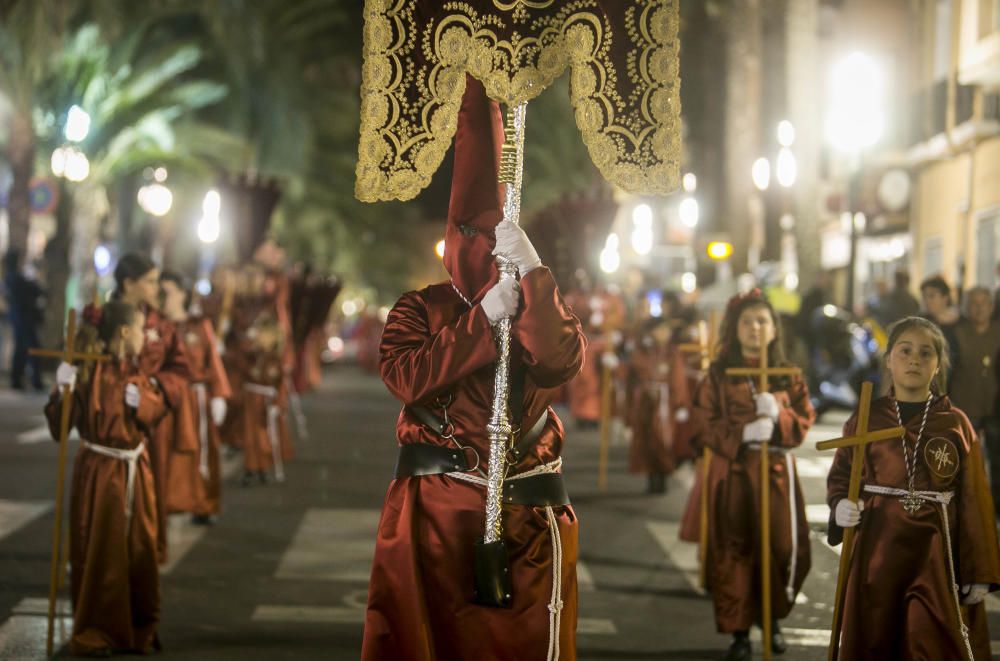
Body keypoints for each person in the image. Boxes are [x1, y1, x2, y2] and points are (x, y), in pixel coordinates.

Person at [361, 76, 587, 661]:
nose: (481, 246)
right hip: (435, 516)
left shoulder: (537, 297)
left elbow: (560, 360)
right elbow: (406, 377)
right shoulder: (420, 307)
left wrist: (533, 274)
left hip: (525, 518)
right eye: (468, 233)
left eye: (492, 236)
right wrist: (483, 323)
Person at [826, 316, 1000, 659]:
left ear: (938, 365)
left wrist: (979, 570)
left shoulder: (955, 423)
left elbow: (974, 499)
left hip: (936, 556)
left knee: (931, 640)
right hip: (878, 551)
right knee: (877, 635)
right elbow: (843, 476)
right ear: (889, 359)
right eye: (904, 351)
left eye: (926, 353)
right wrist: (838, 505)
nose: (914, 360)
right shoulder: (865, 419)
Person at [692, 289, 815, 661]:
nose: (755, 328)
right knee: (736, 549)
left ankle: (771, 619)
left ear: (775, 329)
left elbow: (805, 419)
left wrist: (780, 413)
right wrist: (742, 435)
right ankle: (740, 632)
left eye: (763, 321)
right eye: (747, 321)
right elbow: (704, 424)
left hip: (776, 474)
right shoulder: (718, 374)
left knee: (780, 547)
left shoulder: (788, 376)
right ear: (735, 328)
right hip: (734, 474)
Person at [47, 301, 165, 656]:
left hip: (134, 472)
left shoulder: (135, 371)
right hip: (101, 475)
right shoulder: (88, 373)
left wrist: (143, 401)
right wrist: (60, 391)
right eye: (142, 330)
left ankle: (136, 624)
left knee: (139, 549)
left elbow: (155, 412)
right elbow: (61, 427)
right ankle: (100, 627)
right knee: (102, 551)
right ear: (125, 332)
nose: (146, 337)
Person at [112, 253, 193, 563]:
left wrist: (154, 391)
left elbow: (180, 369)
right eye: (149, 281)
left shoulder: (161, 323)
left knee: (151, 488)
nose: (155, 287)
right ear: (128, 283)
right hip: (110, 424)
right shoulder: (101, 316)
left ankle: (145, 551)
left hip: (151, 423)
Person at [160, 271, 231, 523]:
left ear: (182, 293)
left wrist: (219, 394)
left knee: (202, 450)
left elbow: (212, 358)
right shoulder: (157, 327)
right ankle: (166, 502)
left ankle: (203, 504)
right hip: (167, 397)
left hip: (196, 398)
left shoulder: (199, 325)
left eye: (167, 292)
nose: (163, 298)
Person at [949, 287, 1000, 518]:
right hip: (964, 407)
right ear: (967, 307)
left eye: (984, 303)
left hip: (994, 408)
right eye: (974, 303)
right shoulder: (956, 334)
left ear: (991, 306)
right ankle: (964, 509)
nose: (979, 308)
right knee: (964, 462)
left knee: (997, 462)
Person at [625, 316, 690, 493]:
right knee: (645, 441)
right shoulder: (641, 350)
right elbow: (631, 377)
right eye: (660, 330)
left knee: (662, 439)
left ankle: (663, 476)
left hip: (665, 403)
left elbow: (678, 378)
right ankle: (651, 477)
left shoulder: (672, 352)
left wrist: (680, 403)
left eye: (665, 330)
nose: (664, 334)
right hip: (644, 402)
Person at [4, 250, 45, 390]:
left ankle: (21, 380)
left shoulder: (13, 278)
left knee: (22, 350)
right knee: (31, 349)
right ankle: (31, 380)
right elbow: (34, 290)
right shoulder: (14, 278)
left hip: (21, 319)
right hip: (23, 319)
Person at [920, 275, 961, 375]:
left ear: (945, 297)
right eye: (924, 297)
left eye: (931, 296)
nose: (927, 301)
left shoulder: (961, 323)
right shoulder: (921, 322)